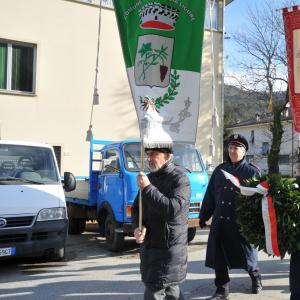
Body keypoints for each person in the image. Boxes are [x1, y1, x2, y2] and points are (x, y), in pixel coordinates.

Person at [199, 134, 262, 300]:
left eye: (236, 148)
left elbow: (259, 199)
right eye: (230, 147)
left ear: (244, 151)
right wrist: (204, 215)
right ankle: (222, 289)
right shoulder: (220, 170)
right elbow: (211, 194)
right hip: (220, 221)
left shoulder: (252, 172)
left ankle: (255, 277)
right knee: (219, 256)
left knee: (247, 255)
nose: (232, 151)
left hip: (240, 222)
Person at [132, 146, 191, 300]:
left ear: (168, 156)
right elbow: (136, 209)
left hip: (169, 248)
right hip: (150, 247)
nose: (149, 158)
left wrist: (147, 188)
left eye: (154, 154)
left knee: (155, 291)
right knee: (171, 291)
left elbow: (172, 208)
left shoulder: (180, 179)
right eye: (148, 154)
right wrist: (138, 227)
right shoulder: (149, 178)